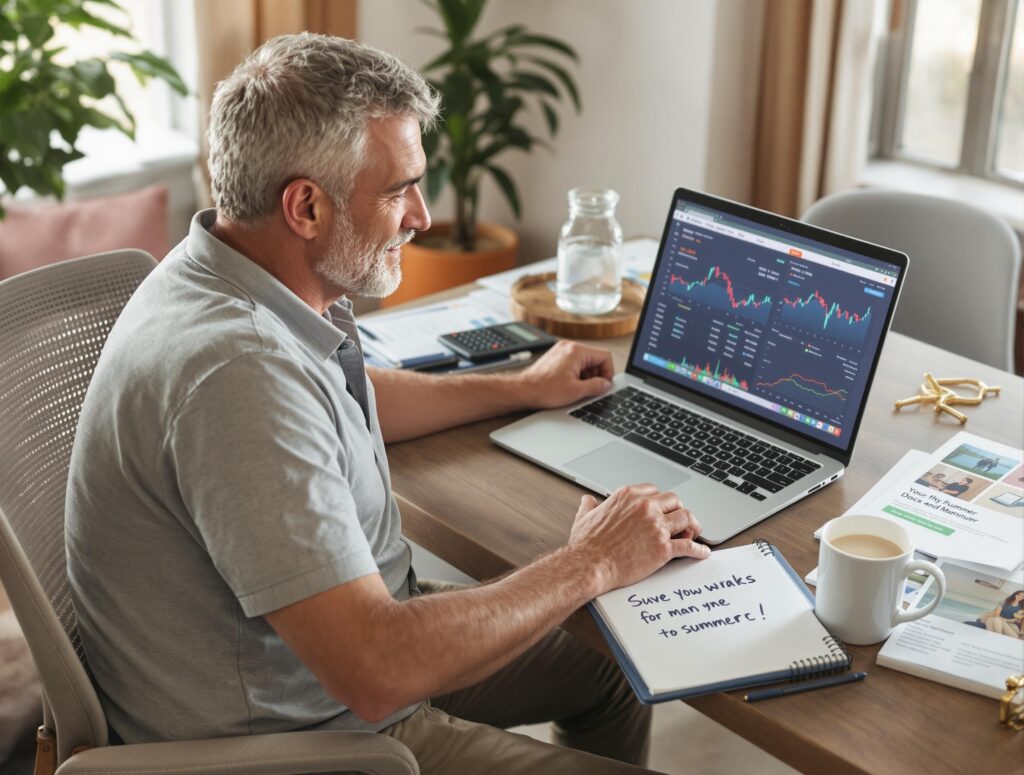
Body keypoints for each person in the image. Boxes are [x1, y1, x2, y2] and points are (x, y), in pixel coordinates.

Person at [64, 34, 709, 773]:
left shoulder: (235, 267)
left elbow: (336, 396)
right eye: (399, 188)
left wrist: (520, 386)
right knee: (593, 605)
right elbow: (377, 668)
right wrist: (591, 560)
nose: (423, 216)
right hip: (297, 736)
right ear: (305, 205)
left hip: (322, 657)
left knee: (612, 664)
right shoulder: (236, 374)